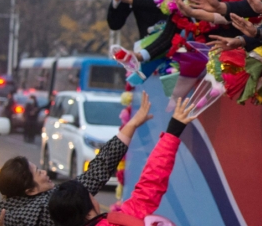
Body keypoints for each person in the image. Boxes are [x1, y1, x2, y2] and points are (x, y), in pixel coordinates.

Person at [0, 92, 153, 226]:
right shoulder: (48, 209)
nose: (45, 173)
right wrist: (132, 124)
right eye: (38, 172)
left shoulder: (2, 214)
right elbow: (98, 171)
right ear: (30, 190)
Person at [47, 97, 196, 226]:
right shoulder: (122, 219)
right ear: (87, 213)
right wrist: (174, 129)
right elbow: (151, 182)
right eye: (90, 196)